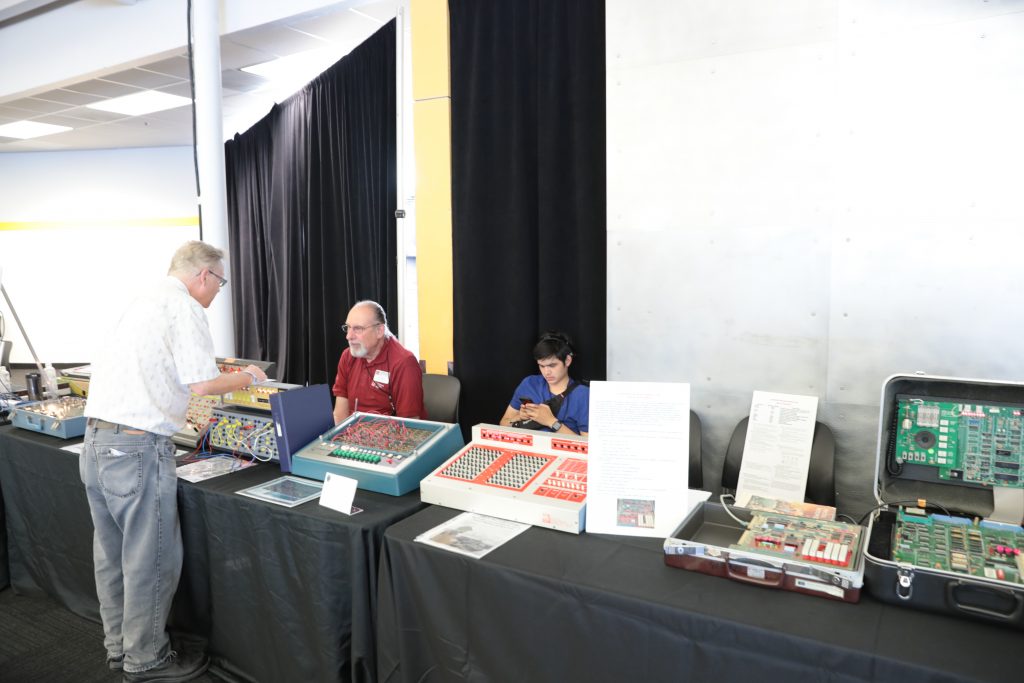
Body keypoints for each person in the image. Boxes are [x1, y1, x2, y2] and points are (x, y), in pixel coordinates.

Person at [81, 241, 268, 682]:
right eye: (220, 282)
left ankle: (119, 648)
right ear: (204, 275)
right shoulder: (183, 307)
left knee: (112, 554)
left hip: (97, 442)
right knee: (150, 559)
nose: (218, 290)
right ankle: (146, 660)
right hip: (137, 447)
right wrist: (250, 376)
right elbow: (202, 384)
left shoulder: (141, 302)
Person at [332, 300, 425, 423]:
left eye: (357, 329)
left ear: (379, 331)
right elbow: (339, 414)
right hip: (352, 432)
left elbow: (409, 425)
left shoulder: (404, 363)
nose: (348, 336)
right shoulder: (347, 356)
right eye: (348, 327)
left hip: (391, 433)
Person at [499, 331, 590, 436]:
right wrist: (520, 417)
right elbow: (503, 424)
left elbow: (587, 443)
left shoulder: (583, 394)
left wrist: (551, 421)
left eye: (552, 365)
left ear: (567, 361)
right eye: (542, 366)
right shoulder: (529, 384)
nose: (546, 372)